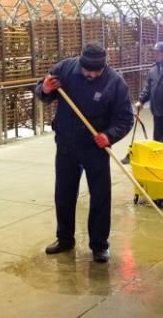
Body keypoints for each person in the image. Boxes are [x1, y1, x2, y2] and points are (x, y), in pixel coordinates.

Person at [35, 44, 133, 263]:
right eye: (87, 70)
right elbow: (42, 93)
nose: (90, 75)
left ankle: (99, 245)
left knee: (100, 195)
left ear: (103, 66)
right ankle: (65, 239)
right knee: (64, 193)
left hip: (95, 147)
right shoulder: (65, 69)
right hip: (66, 144)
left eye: (95, 72)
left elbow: (125, 119)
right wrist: (45, 89)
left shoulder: (115, 83)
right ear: (81, 63)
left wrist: (109, 135)